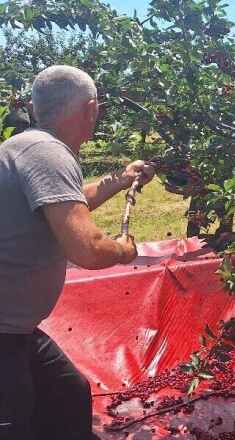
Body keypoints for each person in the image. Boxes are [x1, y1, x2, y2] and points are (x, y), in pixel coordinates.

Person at [0, 65, 155, 440]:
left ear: (35, 110)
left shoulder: (26, 146)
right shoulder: (48, 155)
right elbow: (87, 249)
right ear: (91, 110)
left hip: (17, 329)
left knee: (68, 392)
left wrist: (118, 181)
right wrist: (121, 250)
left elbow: (63, 205)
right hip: (3, 335)